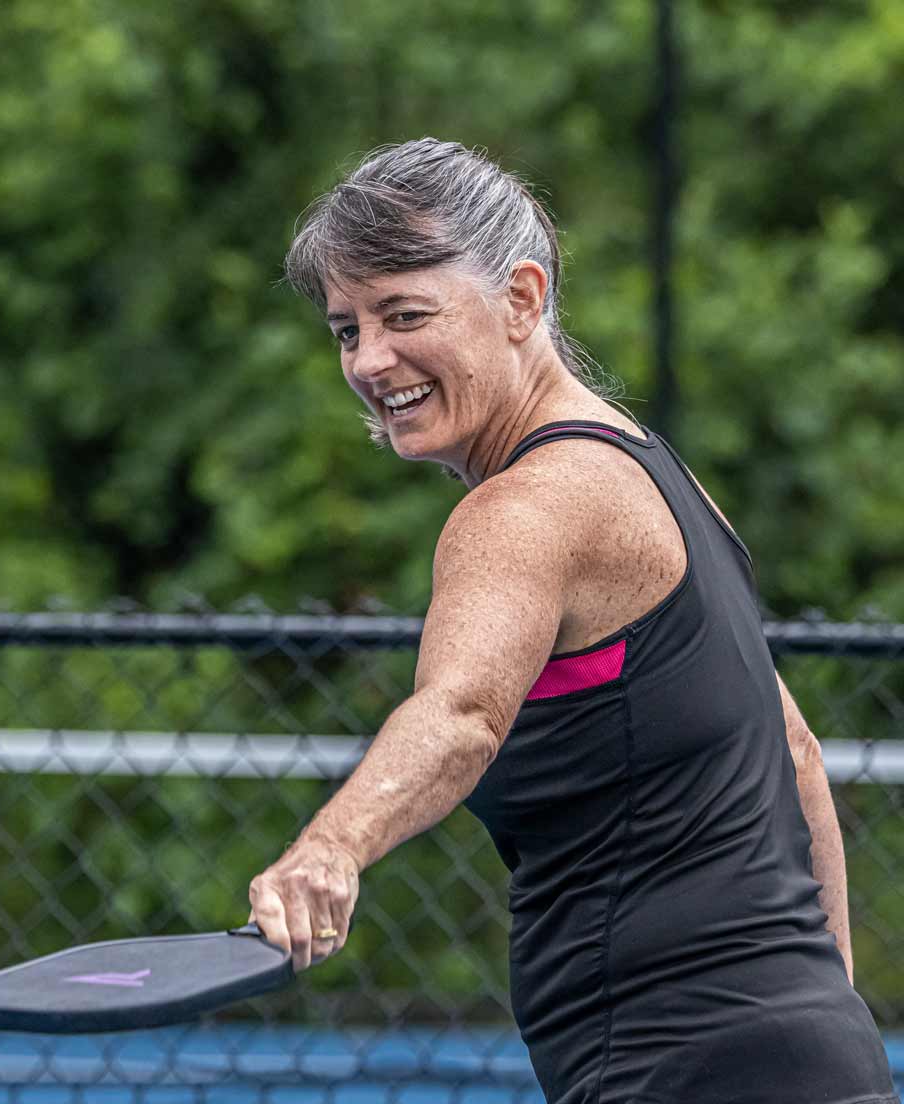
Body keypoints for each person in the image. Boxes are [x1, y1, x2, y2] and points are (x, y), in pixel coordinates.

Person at [246, 138, 898, 1103]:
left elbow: (463, 713)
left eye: (405, 314)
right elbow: (797, 757)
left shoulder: (522, 508)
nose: (372, 359)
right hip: (809, 1056)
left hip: (680, 1069)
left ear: (521, 298)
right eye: (347, 328)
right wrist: (821, 1016)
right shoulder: (656, 477)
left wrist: (332, 846)